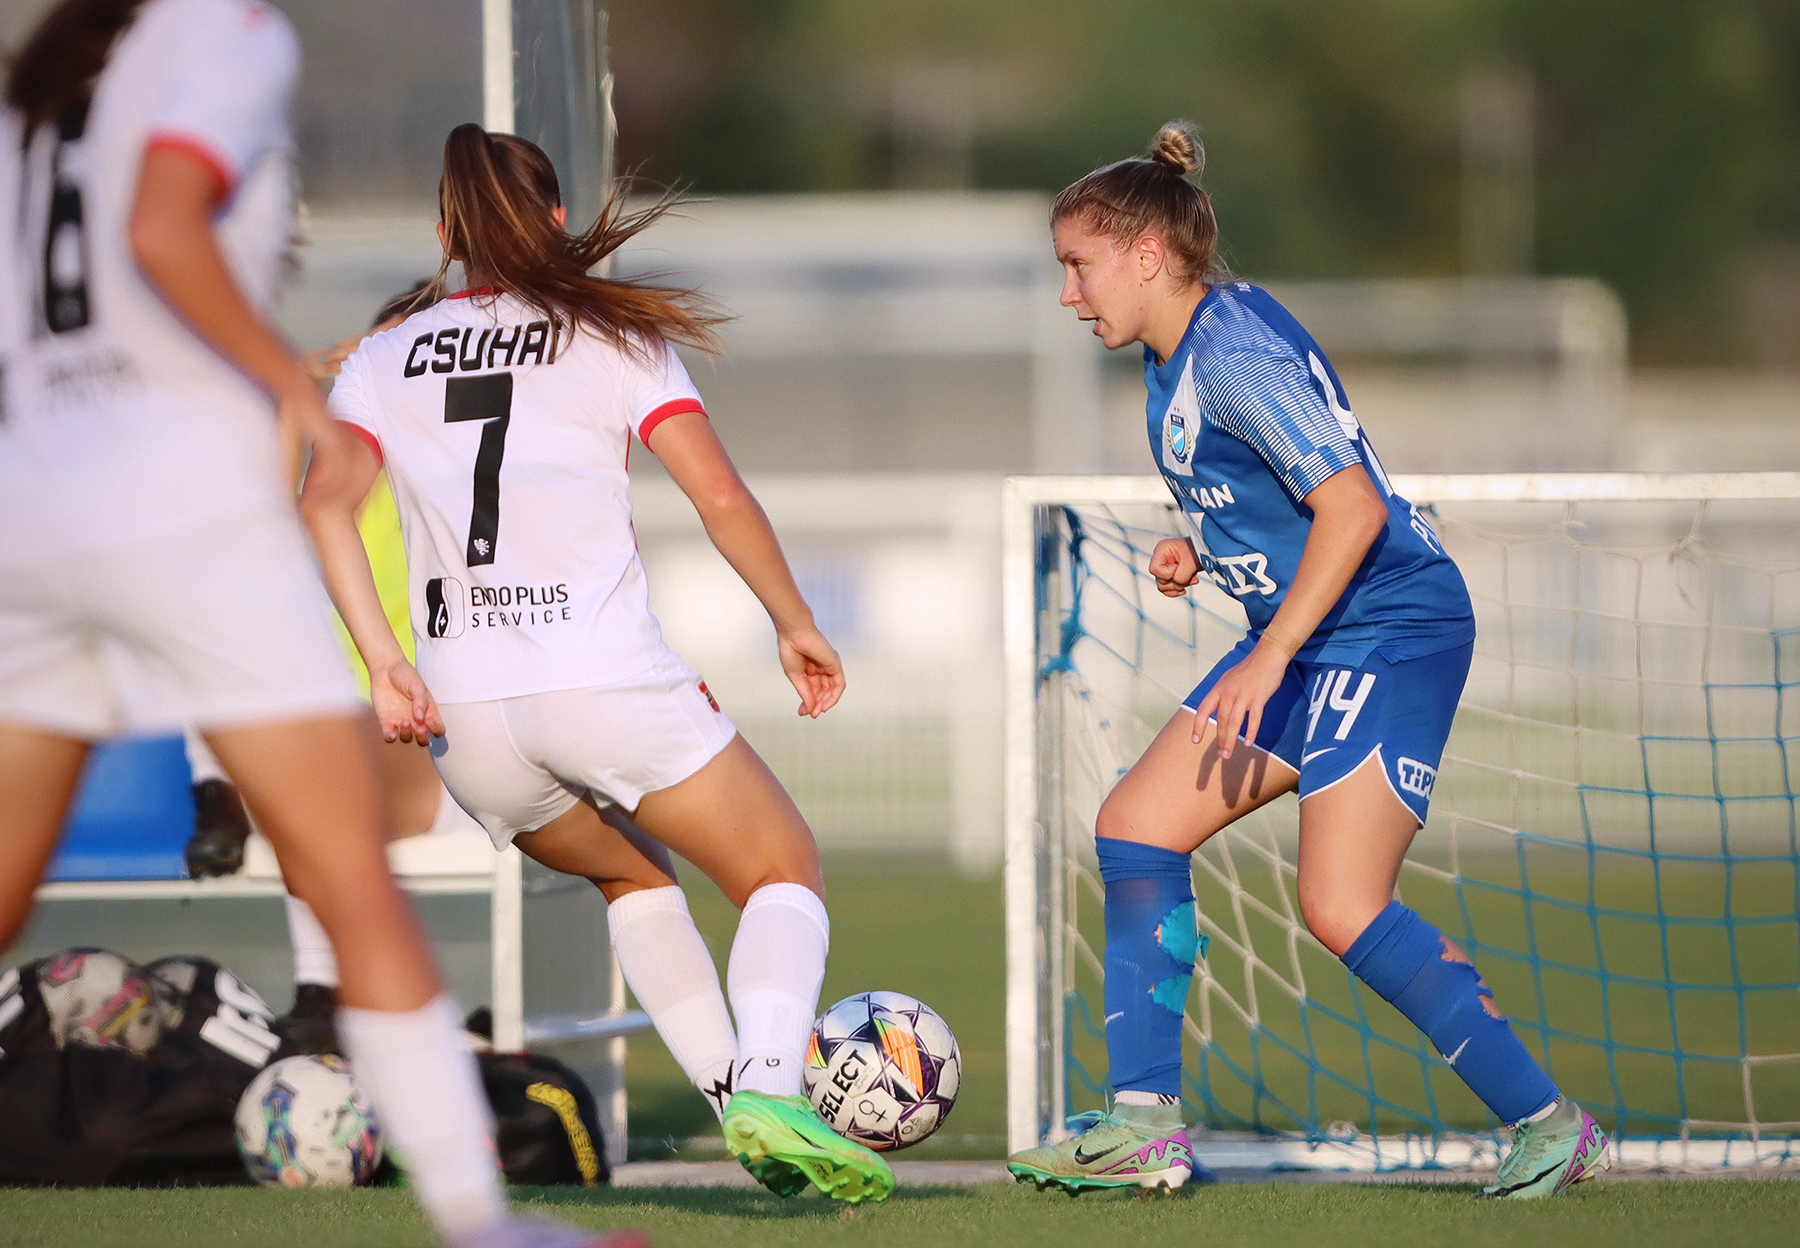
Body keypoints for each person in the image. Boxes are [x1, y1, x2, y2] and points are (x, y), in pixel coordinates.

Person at [0, 3, 642, 1244]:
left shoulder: (42, 80)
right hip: (170, 501)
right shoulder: (224, 33)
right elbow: (158, 225)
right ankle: (483, 1225)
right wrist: (276, 391)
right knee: (352, 882)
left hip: (34, 503)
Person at [1006, 122, 1610, 1199]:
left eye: (1078, 265)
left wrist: (1272, 645)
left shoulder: (1230, 353)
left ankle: (1551, 1124)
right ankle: (1144, 1126)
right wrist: (1210, 546)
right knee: (1137, 827)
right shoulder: (1179, 347)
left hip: (1389, 628)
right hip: (1315, 635)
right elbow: (1285, 492)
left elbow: (1352, 503)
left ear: (1147, 256)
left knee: (1339, 904)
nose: (1068, 293)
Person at [299, 122, 894, 1205]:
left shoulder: (383, 357)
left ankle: (737, 1107)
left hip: (468, 726)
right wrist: (792, 619)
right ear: (560, 219)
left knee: (629, 871)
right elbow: (718, 495)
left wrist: (387, 663)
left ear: (445, 232)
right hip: (604, 685)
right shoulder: (611, 336)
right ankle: (770, 1085)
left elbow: (321, 507)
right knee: (780, 869)